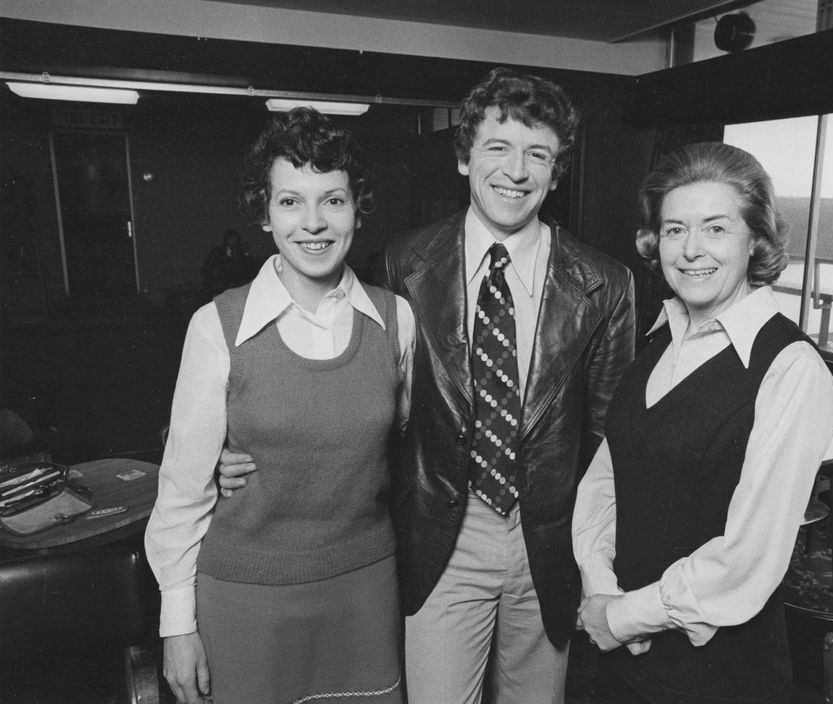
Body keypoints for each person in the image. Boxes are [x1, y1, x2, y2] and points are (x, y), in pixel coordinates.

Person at [220, 67, 636, 704]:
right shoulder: (401, 263)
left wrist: (602, 566)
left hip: (549, 545)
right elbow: (347, 391)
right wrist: (229, 450)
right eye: (498, 148)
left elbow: (613, 446)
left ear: (557, 172)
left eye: (538, 155)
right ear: (465, 157)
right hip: (440, 536)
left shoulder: (606, 284)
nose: (516, 172)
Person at [144, 107, 414, 704]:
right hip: (244, 597)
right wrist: (176, 625)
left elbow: (403, 447)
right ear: (264, 214)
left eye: (334, 200)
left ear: (357, 209)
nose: (313, 222)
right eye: (291, 201)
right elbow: (181, 493)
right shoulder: (217, 325)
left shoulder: (397, 320)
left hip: (365, 591)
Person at [573, 142, 833, 704]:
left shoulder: (791, 369)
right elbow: (605, 480)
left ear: (755, 241)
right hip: (625, 660)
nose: (691, 250)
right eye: (674, 230)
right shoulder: (660, 337)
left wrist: (624, 617)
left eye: (715, 229)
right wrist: (600, 589)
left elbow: (750, 556)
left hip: (718, 680)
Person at [200, 228, 257, 297]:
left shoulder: (243, 253)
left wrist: (247, 253)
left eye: (236, 239)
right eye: (230, 239)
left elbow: (251, 270)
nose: (233, 242)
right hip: (219, 290)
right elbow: (206, 270)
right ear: (226, 241)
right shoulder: (216, 253)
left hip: (237, 290)